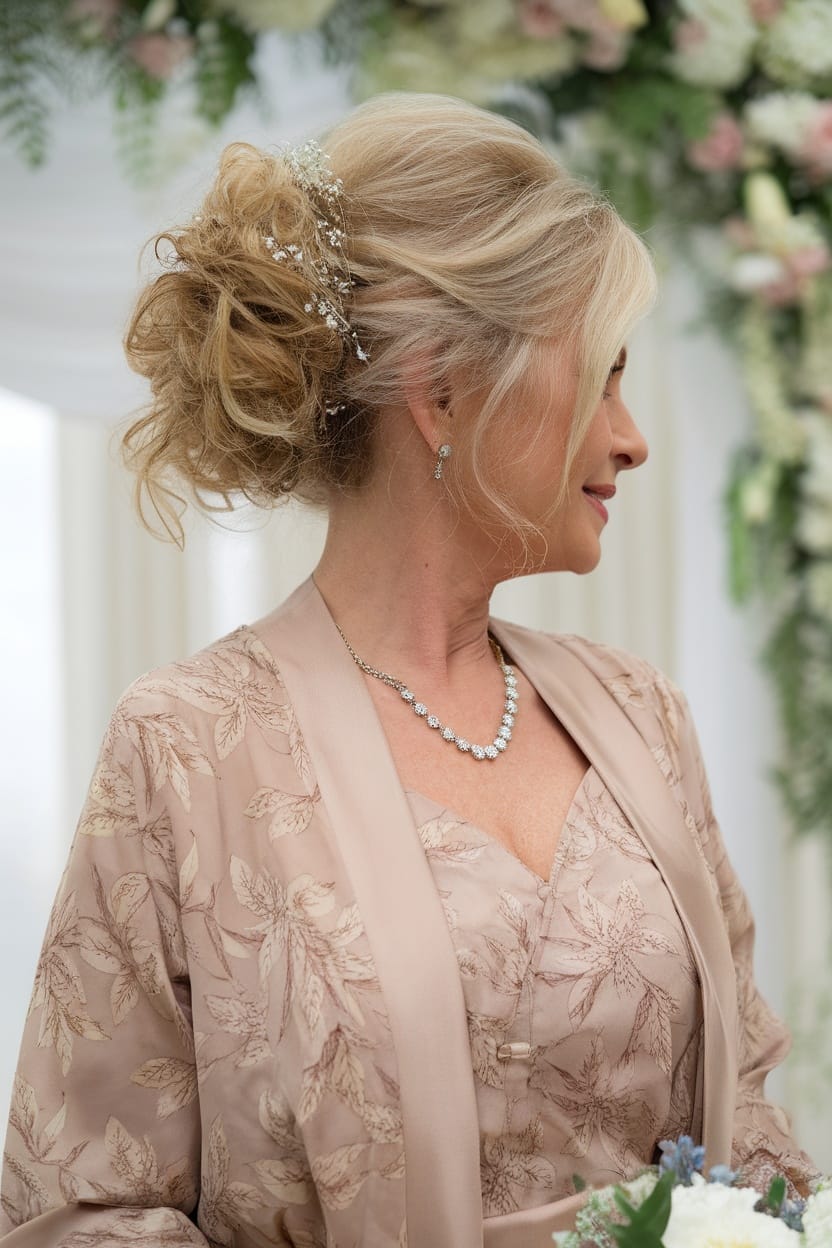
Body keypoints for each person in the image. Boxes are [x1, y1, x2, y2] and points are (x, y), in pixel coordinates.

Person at [0, 92, 819, 1248]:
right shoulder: (188, 749)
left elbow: (752, 1137)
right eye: (605, 373)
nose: (631, 437)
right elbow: (77, 1212)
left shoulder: (643, 717)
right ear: (442, 394)